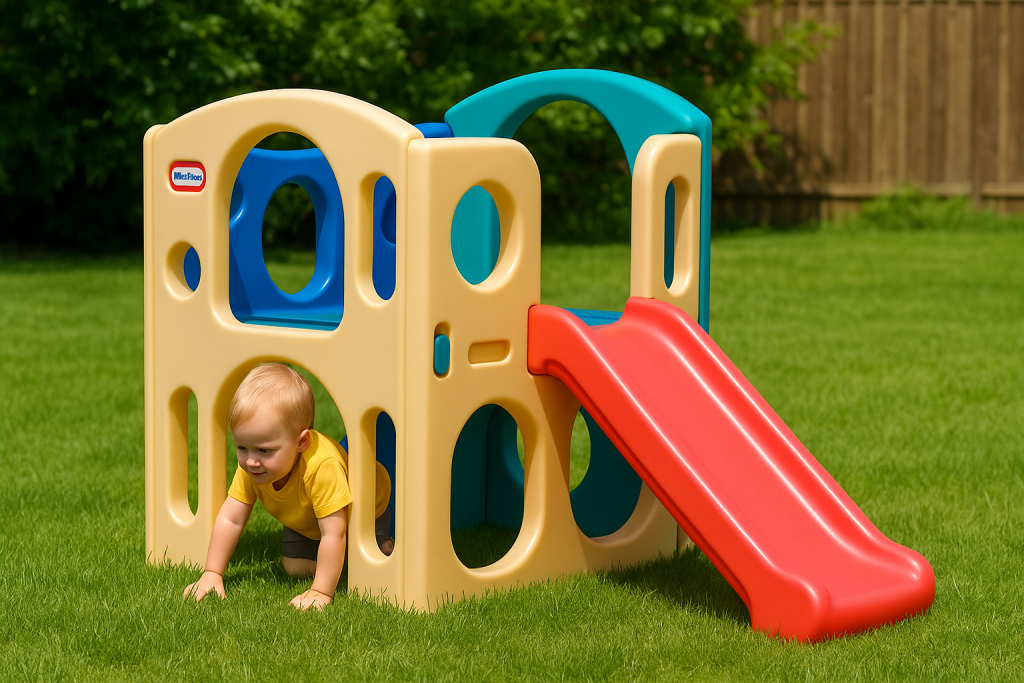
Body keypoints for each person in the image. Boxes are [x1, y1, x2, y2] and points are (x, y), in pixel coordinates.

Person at [183, 363, 394, 611]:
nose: (251, 460)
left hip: (363, 510)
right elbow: (231, 518)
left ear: (301, 441)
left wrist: (321, 591)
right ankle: (337, 560)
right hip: (305, 518)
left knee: (367, 568)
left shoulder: (321, 467)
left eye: (265, 450)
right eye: (242, 447)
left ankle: (380, 544)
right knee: (295, 569)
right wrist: (212, 573)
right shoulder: (253, 467)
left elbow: (334, 531)